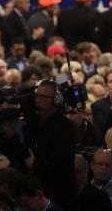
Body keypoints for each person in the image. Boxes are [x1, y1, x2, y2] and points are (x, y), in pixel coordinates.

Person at [31, 80, 77, 209]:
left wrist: (33, 164)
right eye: (37, 96)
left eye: (43, 97)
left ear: (57, 100)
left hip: (59, 196)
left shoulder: (63, 126)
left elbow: (59, 163)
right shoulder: (37, 123)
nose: (37, 100)